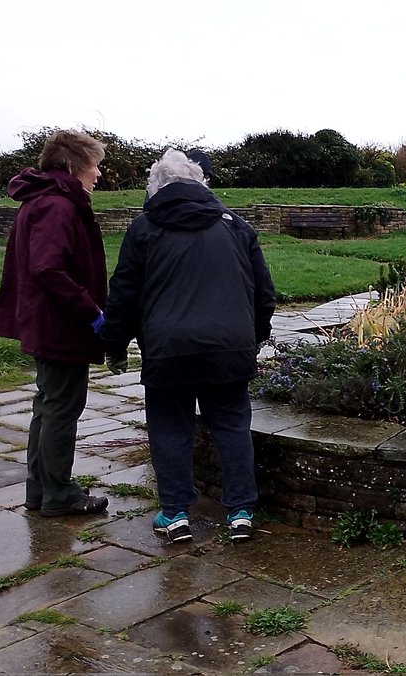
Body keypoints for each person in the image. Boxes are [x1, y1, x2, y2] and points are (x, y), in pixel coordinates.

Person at [100, 149, 276, 542]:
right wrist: (254, 336)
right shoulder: (235, 226)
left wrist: (113, 343)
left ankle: (176, 513)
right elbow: (263, 293)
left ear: (155, 187)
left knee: (169, 428)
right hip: (229, 348)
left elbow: (124, 293)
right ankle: (241, 511)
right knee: (231, 424)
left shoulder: (144, 229)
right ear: (201, 184)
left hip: (168, 349)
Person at [0, 129, 110, 518]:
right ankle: (59, 493)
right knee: (61, 407)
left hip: (49, 323)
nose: (98, 175)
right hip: (59, 326)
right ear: (75, 165)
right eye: (94, 166)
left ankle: (41, 490)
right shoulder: (57, 205)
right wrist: (90, 311)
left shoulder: (45, 200)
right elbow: (48, 268)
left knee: (48, 406)